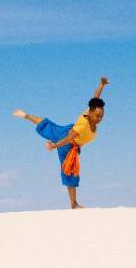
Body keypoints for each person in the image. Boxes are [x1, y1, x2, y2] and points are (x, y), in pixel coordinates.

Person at [13, 77, 109, 209]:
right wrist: (55, 146)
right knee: (70, 172)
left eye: (101, 116)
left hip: (66, 131)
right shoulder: (83, 126)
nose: (100, 119)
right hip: (68, 144)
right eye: (98, 116)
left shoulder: (90, 110)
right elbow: (69, 138)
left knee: (48, 126)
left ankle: (26, 116)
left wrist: (101, 85)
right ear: (91, 112)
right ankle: (74, 204)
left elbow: (95, 97)